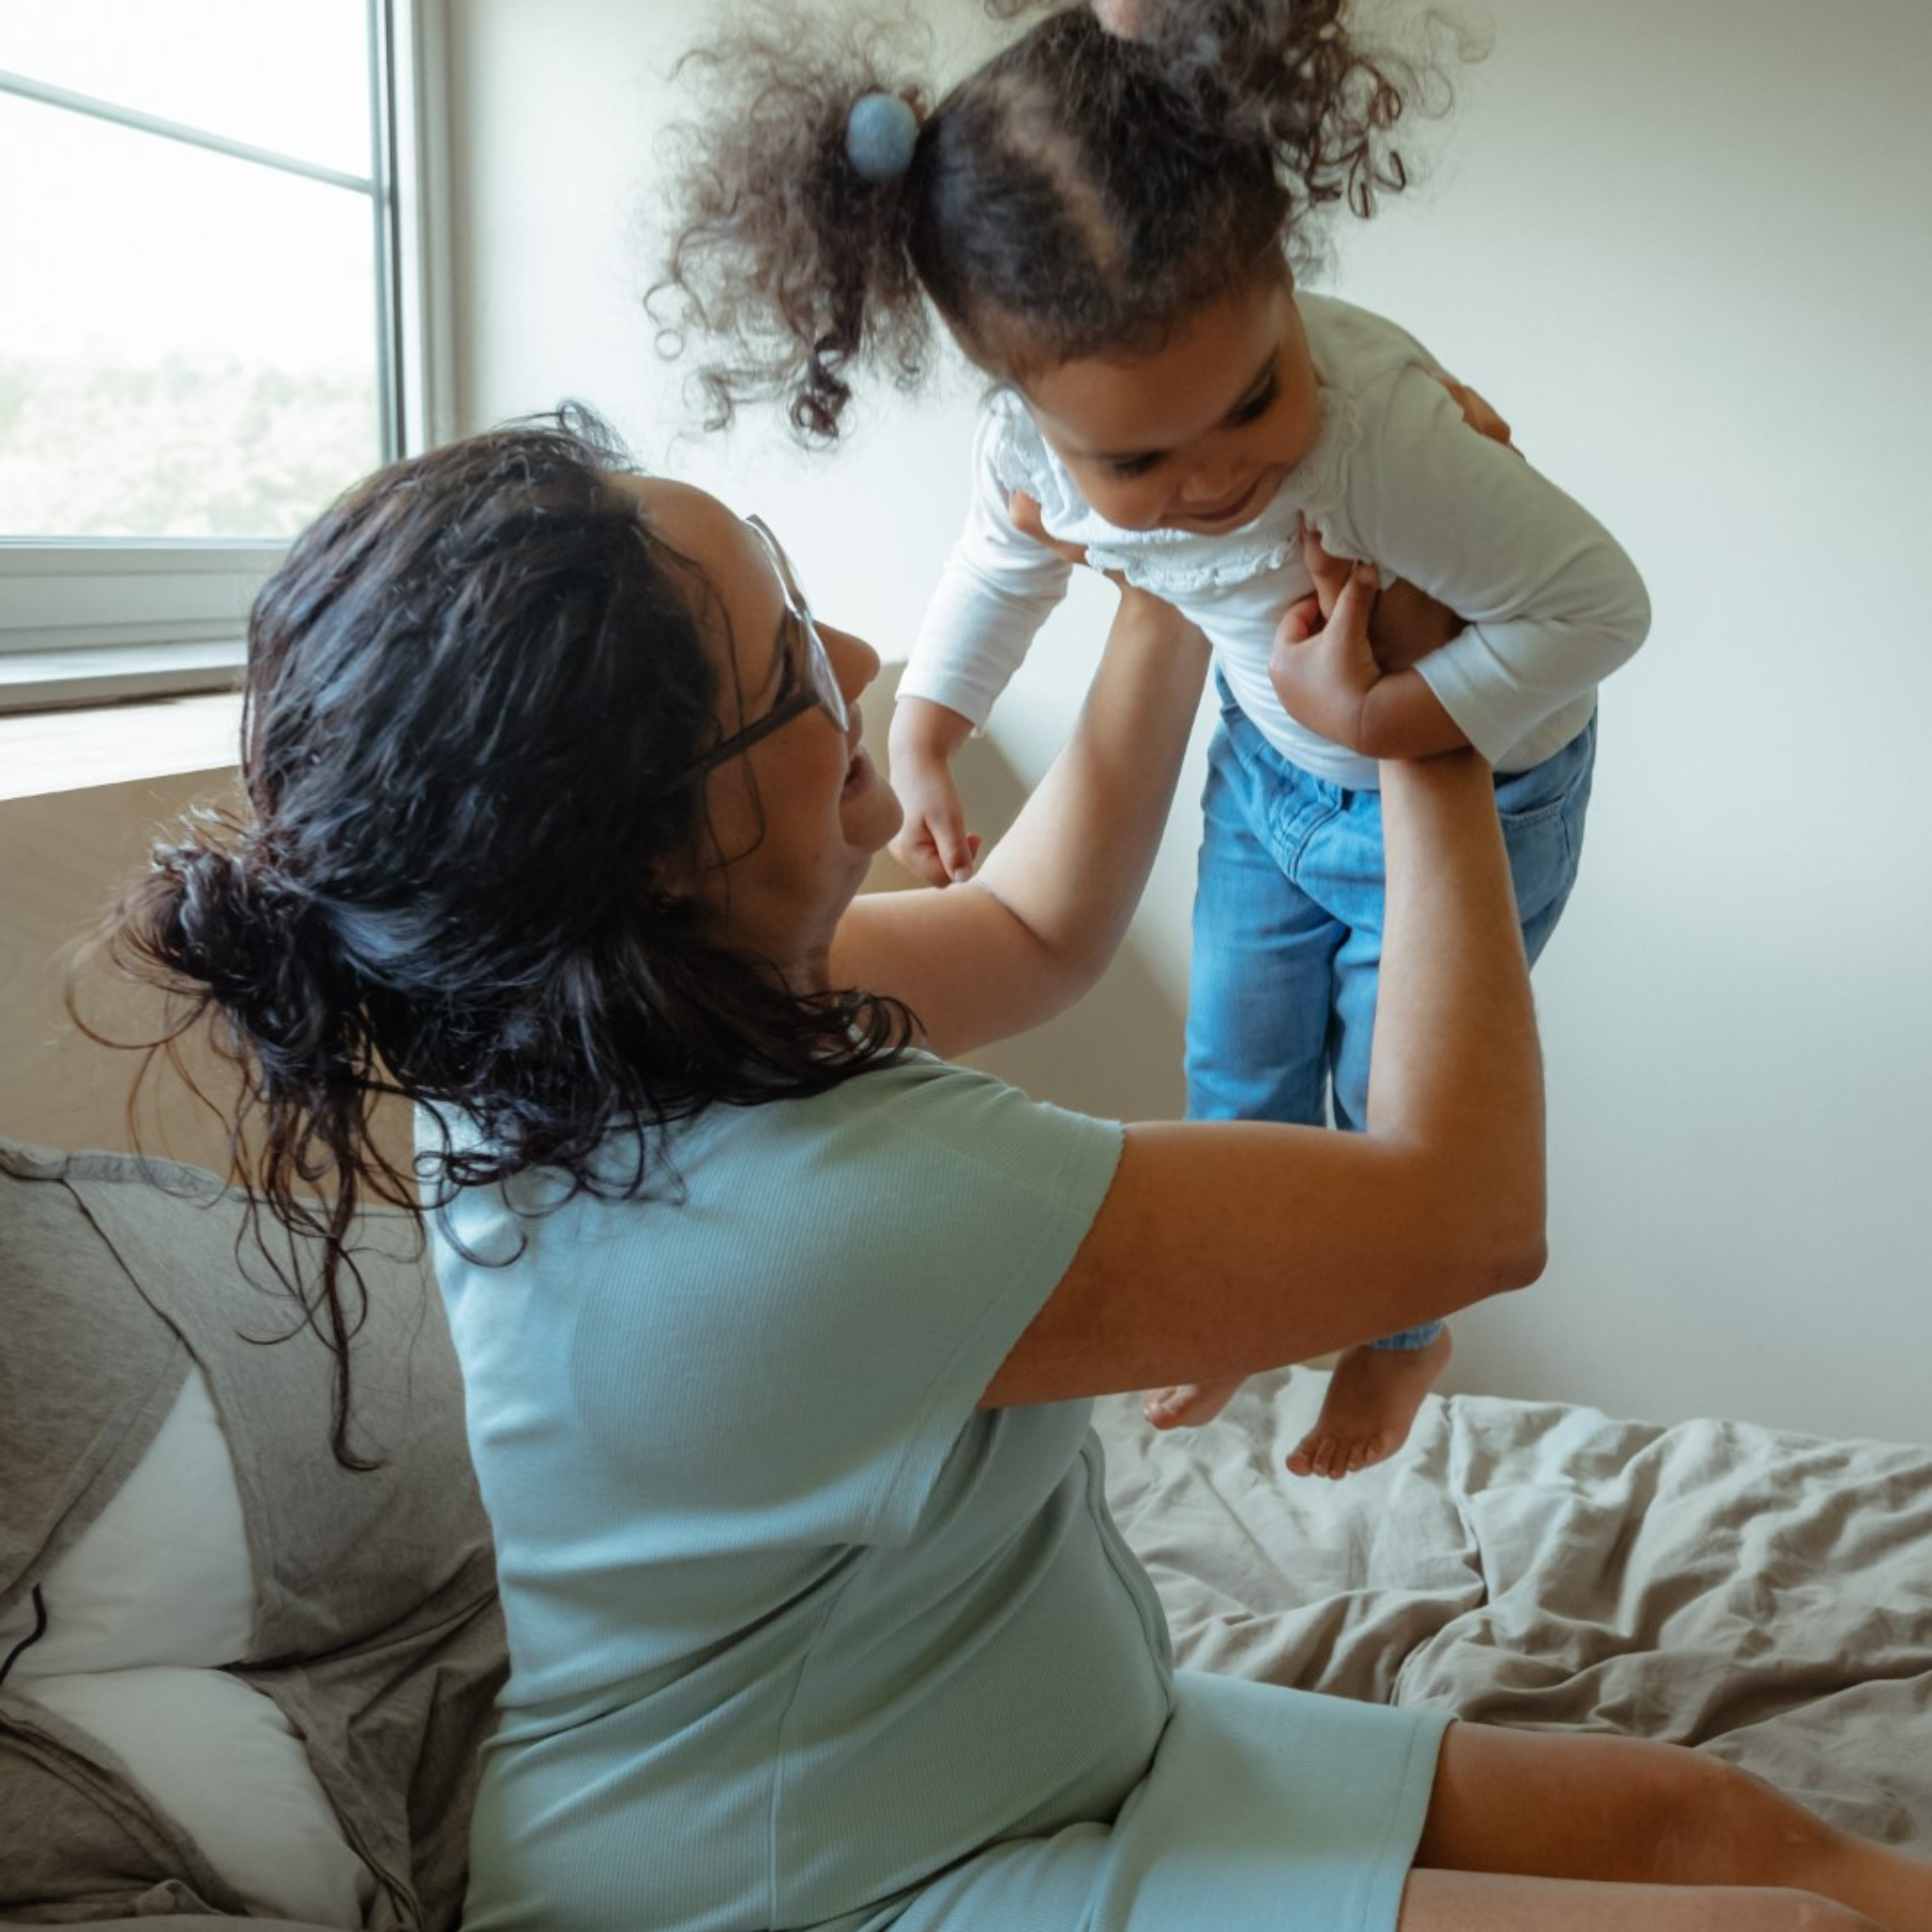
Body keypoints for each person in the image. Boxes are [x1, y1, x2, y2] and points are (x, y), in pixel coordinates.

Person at [98, 412, 1932, 1932]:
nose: (863, 663)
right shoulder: (819, 1215)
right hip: (819, 1884)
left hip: (1010, 1745)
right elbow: (1461, 1212)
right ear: (659, 851)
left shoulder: (579, 1031)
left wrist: (1165, 561)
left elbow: (1043, 925)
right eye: (789, 657)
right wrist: (1431, 742)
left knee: (1711, 1829)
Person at [650, 0, 1651, 1479]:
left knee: (1391, 1099)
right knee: (1234, 1059)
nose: (1221, 478)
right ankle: (1250, 1307)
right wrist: (929, 728)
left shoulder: (1388, 436)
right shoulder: (1031, 458)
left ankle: (1397, 1340)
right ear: (1028, 409)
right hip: (1269, 773)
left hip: (1466, 783)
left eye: (1256, 398)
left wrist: (1388, 718)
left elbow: (1595, 611)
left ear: (1283, 287)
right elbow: (1001, 568)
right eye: (1137, 458)